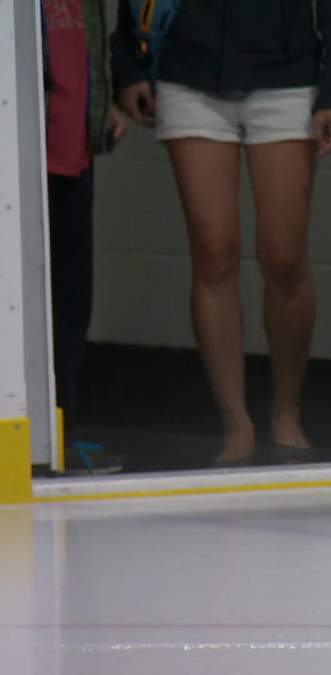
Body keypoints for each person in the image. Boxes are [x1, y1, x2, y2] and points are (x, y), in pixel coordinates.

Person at [110, 0, 331, 467]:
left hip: (288, 74)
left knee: (284, 258)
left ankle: (287, 411)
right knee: (214, 253)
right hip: (186, 71)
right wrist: (127, 61)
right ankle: (235, 424)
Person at [43, 0, 127, 474]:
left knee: (71, 301)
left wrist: (105, 104)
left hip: (75, 154)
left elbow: (86, 49)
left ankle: (63, 429)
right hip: (27, 158)